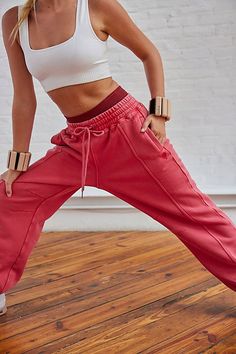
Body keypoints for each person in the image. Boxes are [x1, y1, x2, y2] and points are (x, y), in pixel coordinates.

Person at [0, 0, 235, 317]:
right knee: (11, 196)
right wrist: (17, 164)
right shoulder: (15, 21)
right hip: (77, 144)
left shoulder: (94, 5)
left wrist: (159, 114)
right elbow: (24, 97)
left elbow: (149, 52)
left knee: (193, 213)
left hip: (128, 134)